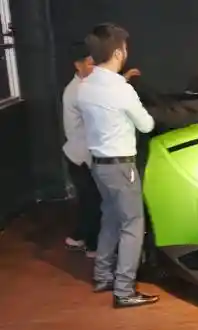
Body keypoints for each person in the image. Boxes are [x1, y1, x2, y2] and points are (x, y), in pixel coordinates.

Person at [77, 23, 159, 308]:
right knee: (133, 224)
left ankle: (102, 276)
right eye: (124, 48)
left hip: (99, 166)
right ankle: (124, 290)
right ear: (117, 53)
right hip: (122, 167)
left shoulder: (84, 87)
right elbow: (146, 125)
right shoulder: (121, 89)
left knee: (111, 219)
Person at [62, 41, 101, 258]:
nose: (94, 67)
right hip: (81, 156)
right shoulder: (77, 92)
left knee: (88, 200)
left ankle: (78, 237)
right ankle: (93, 247)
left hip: (79, 154)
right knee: (93, 201)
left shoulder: (84, 87)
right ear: (78, 65)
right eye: (90, 63)